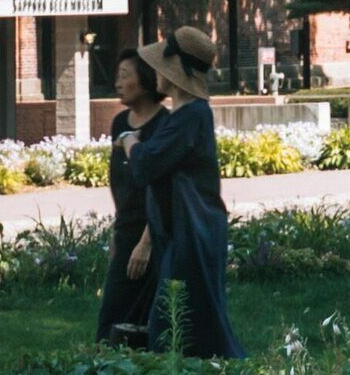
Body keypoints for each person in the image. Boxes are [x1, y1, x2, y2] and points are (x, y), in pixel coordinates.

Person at [101, 23, 241, 357]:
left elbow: (147, 164)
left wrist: (130, 141)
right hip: (183, 229)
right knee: (180, 321)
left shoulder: (190, 116)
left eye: (162, 66)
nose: (155, 73)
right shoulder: (185, 114)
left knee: (187, 323)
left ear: (176, 72)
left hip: (195, 230)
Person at [93, 49, 165, 348]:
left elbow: (162, 188)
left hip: (154, 234)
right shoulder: (120, 123)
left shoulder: (164, 125)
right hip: (126, 230)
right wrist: (117, 231)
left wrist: (146, 243)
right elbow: (118, 182)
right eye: (117, 76)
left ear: (146, 81)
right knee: (111, 317)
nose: (118, 83)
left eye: (125, 76)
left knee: (146, 317)